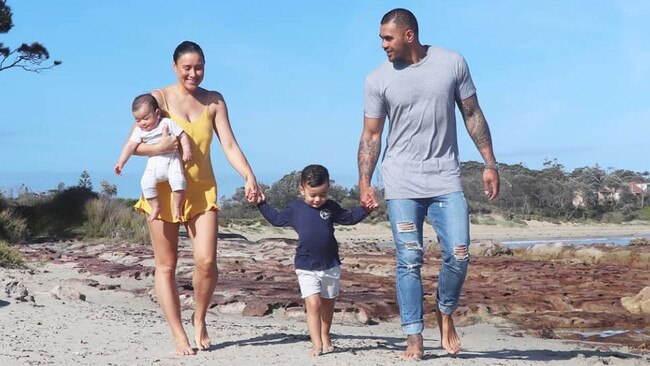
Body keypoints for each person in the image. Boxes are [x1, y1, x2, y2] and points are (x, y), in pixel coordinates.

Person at [357, 8, 500, 359]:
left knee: (460, 254)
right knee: (409, 260)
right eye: (381, 39)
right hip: (401, 182)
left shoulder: (452, 63)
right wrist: (365, 181)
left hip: (445, 178)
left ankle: (445, 310)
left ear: (409, 35)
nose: (383, 45)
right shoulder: (378, 79)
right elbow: (371, 135)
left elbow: (472, 113)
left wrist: (489, 163)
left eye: (387, 38)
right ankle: (414, 337)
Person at [131, 41, 260, 355]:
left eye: (198, 67)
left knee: (206, 262)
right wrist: (160, 148)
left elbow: (228, 144)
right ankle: (178, 333)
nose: (193, 73)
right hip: (163, 191)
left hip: (202, 191)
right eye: (186, 67)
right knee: (166, 266)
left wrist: (249, 175)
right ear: (174, 67)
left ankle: (199, 318)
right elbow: (135, 144)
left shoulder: (214, 101)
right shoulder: (158, 98)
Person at [256, 164, 371, 357]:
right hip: (306, 265)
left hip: (330, 265)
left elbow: (349, 218)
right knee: (314, 304)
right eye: (313, 195)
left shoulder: (331, 207)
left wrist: (366, 209)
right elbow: (276, 219)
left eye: (323, 194)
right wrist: (261, 204)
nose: (318, 199)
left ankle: (325, 336)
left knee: (327, 304)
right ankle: (316, 343)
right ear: (302, 190)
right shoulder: (295, 208)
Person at [114, 94, 192, 222]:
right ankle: (155, 206)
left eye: (146, 118)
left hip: (172, 160)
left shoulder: (166, 123)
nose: (142, 123)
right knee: (145, 184)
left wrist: (187, 151)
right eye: (138, 120)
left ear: (157, 113)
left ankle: (177, 206)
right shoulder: (139, 131)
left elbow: (182, 135)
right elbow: (130, 145)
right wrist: (121, 162)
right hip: (154, 163)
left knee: (179, 181)